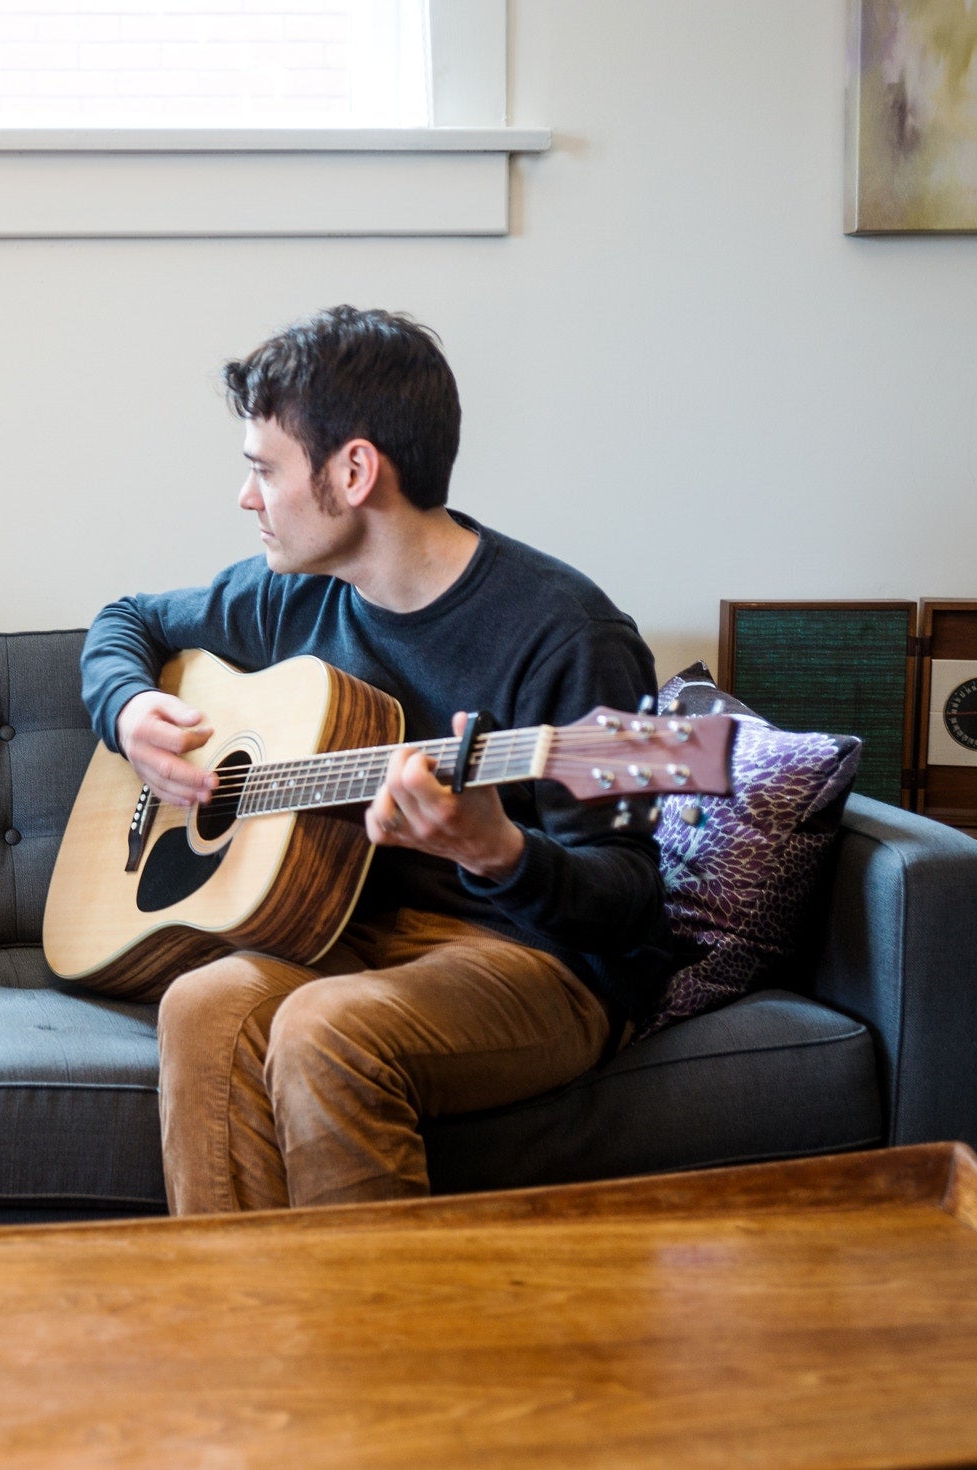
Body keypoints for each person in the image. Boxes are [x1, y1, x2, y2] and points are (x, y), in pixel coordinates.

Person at [79, 306, 669, 1213]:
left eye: (262, 470)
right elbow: (129, 619)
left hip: (533, 962)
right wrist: (127, 712)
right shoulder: (293, 596)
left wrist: (495, 852)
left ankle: (377, 1345)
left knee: (323, 1027)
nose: (247, 499)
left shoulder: (563, 632)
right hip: (346, 936)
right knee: (203, 1004)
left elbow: (627, 898)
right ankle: (240, 1332)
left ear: (353, 472)